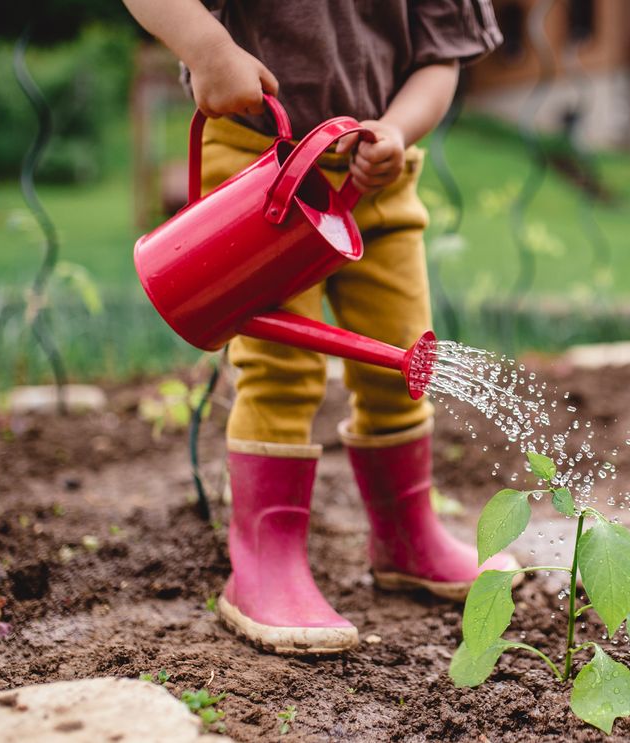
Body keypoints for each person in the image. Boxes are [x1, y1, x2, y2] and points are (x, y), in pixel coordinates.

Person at [121, 0, 517, 655]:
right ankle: (263, 561)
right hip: (260, 167)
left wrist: (396, 129)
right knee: (282, 371)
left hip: (378, 177)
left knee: (402, 361)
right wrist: (209, 50)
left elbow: (439, 59)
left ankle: (407, 534)